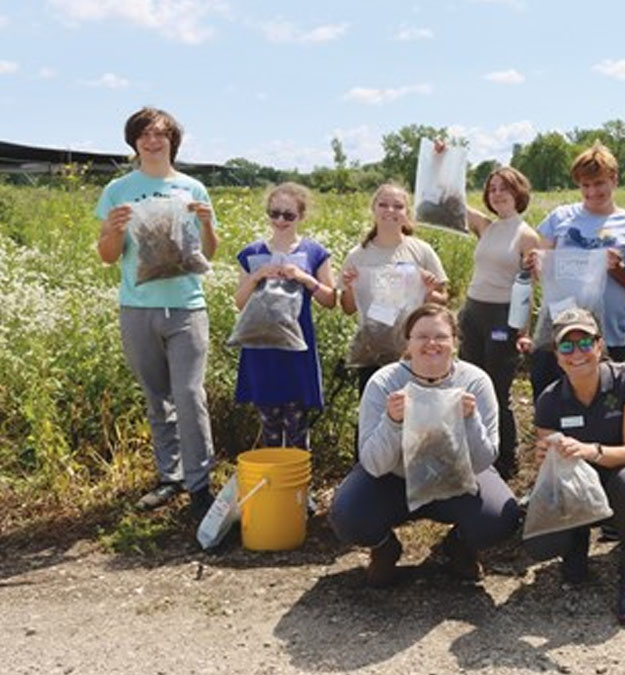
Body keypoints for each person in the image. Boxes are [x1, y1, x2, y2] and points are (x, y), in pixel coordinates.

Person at [329, 304, 520, 587]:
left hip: (457, 478)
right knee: (348, 515)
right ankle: (384, 548)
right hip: (395, 479)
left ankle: (458, 547)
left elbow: (483, 462)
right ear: (408, 343)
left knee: (501, 518)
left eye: (441, 337)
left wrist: (470, 420)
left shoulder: (475, 382)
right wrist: (392, 422)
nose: (432, 344)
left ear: (455, 342)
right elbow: (372, 463)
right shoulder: (384, 383)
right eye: (421, 336)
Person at [94, 107, 219, 520]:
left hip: (186, 306)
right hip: (137, 307)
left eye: (160, 135)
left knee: (188, 394)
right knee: (157, 396)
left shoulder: (192, 188)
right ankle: (171, 477)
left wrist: (207, 227)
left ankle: (200, 485)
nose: (152, 141)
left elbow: (209, 252)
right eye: (144, 135)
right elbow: (108, 257)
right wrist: (113, 230)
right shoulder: (118, 190)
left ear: (172, 142)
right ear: (134, 142)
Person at [524, 308, 625, 625]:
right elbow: (547, 468)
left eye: (585, 343)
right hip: (574, 486)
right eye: (566, 347)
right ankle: (575, 548)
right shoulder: (549, 400)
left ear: (600, 345)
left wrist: (589, 451)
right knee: (540, 546)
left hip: (617, 477)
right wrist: (543, 457)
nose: (577, 353)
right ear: (557, 357)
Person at [527, 142, 625, 398]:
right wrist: (535, 263)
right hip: (556, 330)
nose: (592, 191)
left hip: (607, 334)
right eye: (585, 185)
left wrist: (617, 268)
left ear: (614, 180)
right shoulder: (560, 217)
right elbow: (540, 270)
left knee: (602, 409)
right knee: (549, 401)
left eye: (599, 183)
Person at [232, 183, 337, 450]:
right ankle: (275, 487)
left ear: (301, 217)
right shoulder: (252, 253)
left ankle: (299, 487)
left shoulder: (315, 253)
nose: (280, 220)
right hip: (261, 348)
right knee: (269, 427)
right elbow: (239, 302)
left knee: (297, 427)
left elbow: (330, 299)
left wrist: (305, 278)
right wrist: (257, 275)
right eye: (274, 213)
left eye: (288, 215)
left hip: (297, 349)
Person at [459, 166, 540, 479]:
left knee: (496, 388)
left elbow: (527, 286)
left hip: (501, 318)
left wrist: (524, 330)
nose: (497, 194)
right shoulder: (486, 226)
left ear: (518, 192)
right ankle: (476, 451)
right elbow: (451, 200)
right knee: (469, 384)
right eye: (492, 188)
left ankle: (506, 458)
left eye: (504, 187)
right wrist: (442, 159)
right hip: (472, 313)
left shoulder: (526, 235)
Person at [340, 182, 449, 394]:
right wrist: (352, 287)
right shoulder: (358, 255)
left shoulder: (421, 251)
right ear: (373, 210)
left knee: (413, 412)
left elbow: (443, 300)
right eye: (383, 205)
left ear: (407, 213)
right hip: (371, 349)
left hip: (413, 350)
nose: (390, 211)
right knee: (373, 411)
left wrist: (428, 291)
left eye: (398, 206)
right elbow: (348, 308)